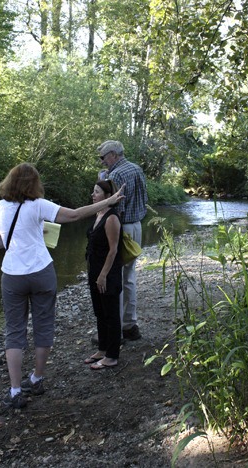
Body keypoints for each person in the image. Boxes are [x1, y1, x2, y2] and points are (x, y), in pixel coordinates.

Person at [0, 163, 124, 409]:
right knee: (43, 326)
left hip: (12, 275)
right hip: (41, 272)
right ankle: (37, 379)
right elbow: (74, 215)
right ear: (34, 184)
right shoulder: (39, 205)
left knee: (14, 331)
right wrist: (109, 201)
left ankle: (15, 390)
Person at [96, 140, 148, 341]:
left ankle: (114, 330)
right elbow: (144, 199)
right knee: (129, 277)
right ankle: (130, 325)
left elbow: (113, 207)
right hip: (136, 226)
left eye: (103, 157)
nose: (102, 161)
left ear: (113, 155)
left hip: (121, 227)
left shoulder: (116, 175)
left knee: (114, 277)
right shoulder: (136, 169)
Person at [84, 180, 122, 370]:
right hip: (95, 270)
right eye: (93, 191)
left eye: (97, 192)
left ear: (108, 196)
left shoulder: (111, 218)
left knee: (111, 314)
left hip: (107, 274)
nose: (93, 195)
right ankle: (102, 349)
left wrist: (103, 275)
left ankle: (112, 356)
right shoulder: (98, 214)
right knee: (100, 312)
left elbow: (113, 250)